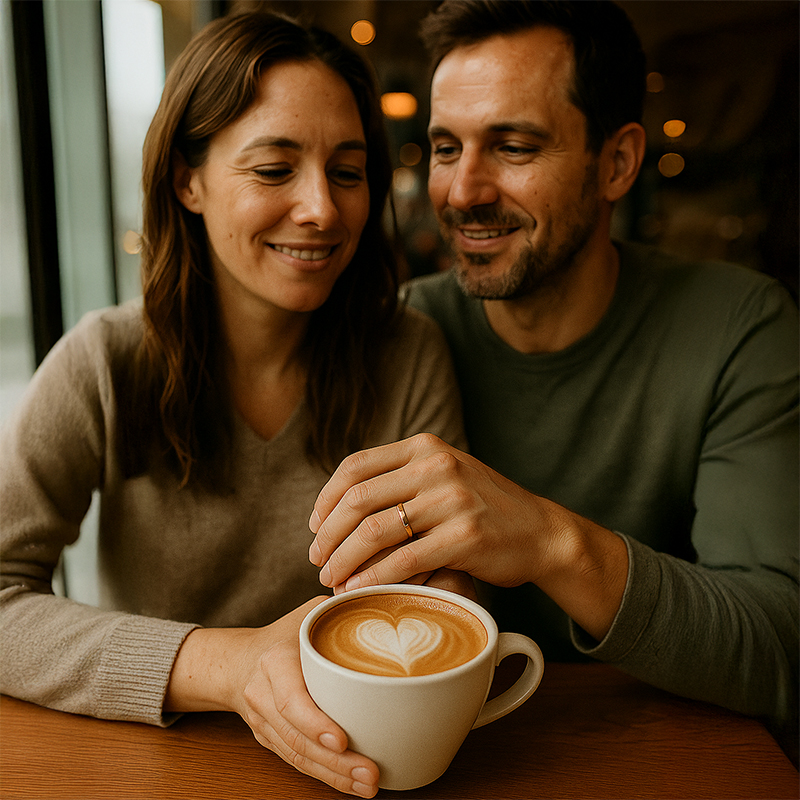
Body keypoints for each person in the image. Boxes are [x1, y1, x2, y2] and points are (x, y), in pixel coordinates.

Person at [308, 0, 799, 756]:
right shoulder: (404, 331)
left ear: (618, 163)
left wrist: (547, 539)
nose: (463, 191)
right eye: (445, 148)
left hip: (663, 756)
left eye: (512, 146)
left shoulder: (742, 325)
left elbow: (779, 646)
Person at [0, 11, 468, 798]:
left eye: (348, 172)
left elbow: (443, 592)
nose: (322, 208)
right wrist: (227, 666)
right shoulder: (104, 362)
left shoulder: (407, 352)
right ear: (189, 181)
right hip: (155, 766)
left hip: (353, 766)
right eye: (274, 169)